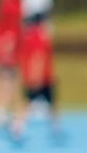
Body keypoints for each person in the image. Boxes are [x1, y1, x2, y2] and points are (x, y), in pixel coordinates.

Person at [12, 11, 64, 144]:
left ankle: (18, 127)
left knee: (29, 103)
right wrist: (37, 75)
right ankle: (55, 129)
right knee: (49, 103)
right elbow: (38, 57)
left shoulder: (27, 37)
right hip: (42, 78)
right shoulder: (40, 37)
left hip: (32, 76)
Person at [0, 0, 23, 126]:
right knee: (5, 87)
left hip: (8, 61)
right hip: (5, 62)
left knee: (12, 88)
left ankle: (9, 112)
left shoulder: (1, 24)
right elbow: (3, 44)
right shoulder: (7, 25)